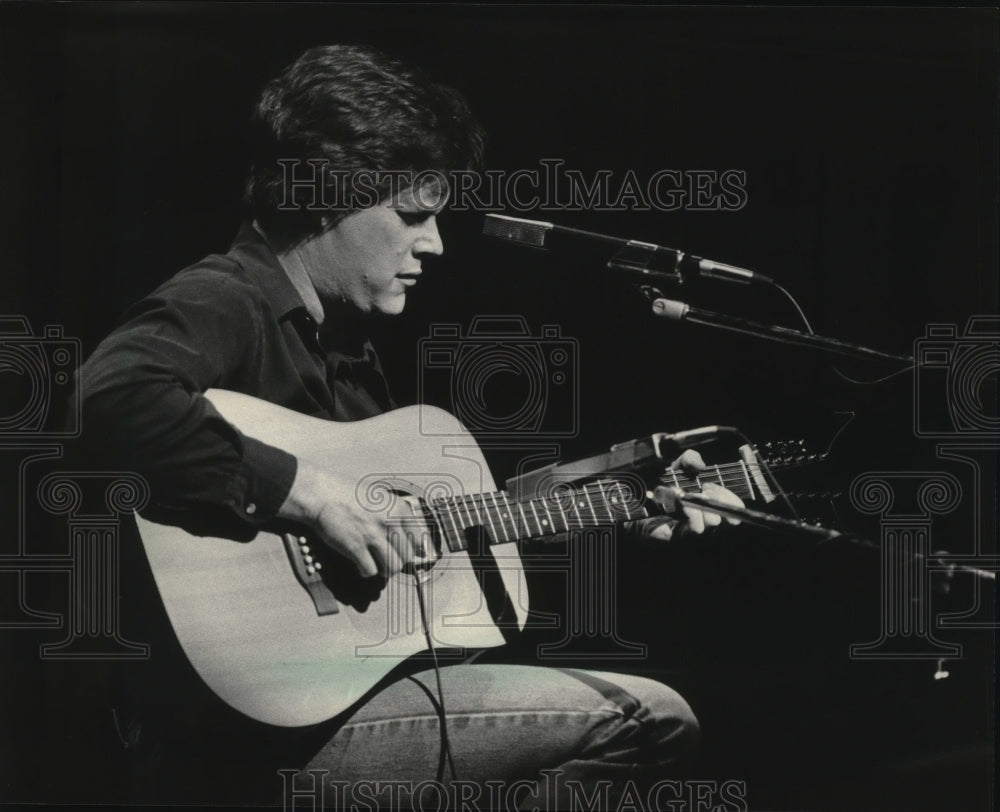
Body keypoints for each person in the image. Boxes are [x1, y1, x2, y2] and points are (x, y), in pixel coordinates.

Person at [75, 44, 744, 809]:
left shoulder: (347, 351)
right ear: (327, 197)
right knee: (647, 719)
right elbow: (111, 397)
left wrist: (621, 494)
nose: (434, 243)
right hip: (238, 745)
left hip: (330, 711)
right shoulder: (227, 299)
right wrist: (308, 494)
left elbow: (441, 519)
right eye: (412, 216)